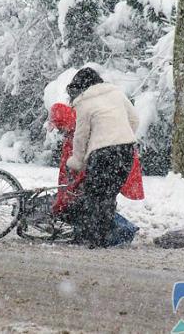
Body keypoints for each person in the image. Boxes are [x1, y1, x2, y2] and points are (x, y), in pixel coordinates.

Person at [63, 67, 140, 247]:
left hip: (102, 154)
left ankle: (91, 237)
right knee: (109, 194)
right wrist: (121, 137)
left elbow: (81, 136)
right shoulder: (116, 93)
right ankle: (104, 236)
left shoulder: (84, 102)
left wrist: (77, 161)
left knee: (93, 194)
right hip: (126, 151)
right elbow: (135, 120)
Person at [49, 102, 143, 247]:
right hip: (115, 161)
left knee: (98, 199)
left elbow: (84, 165)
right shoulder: (76, 131)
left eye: (60, 126)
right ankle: (97, 233)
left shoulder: (82, 133)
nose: (60, 130)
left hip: (113, 164)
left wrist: (71, 190)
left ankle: (114, 233)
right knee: (99, 200)